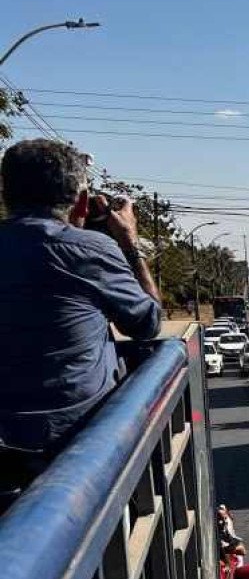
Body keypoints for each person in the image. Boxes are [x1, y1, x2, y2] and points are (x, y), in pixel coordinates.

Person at [0, 140, 163, 464]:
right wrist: (129, 243)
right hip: (76, 448)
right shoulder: (91, 250)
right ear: (83, 202)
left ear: (6, 196)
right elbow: (147, 324)